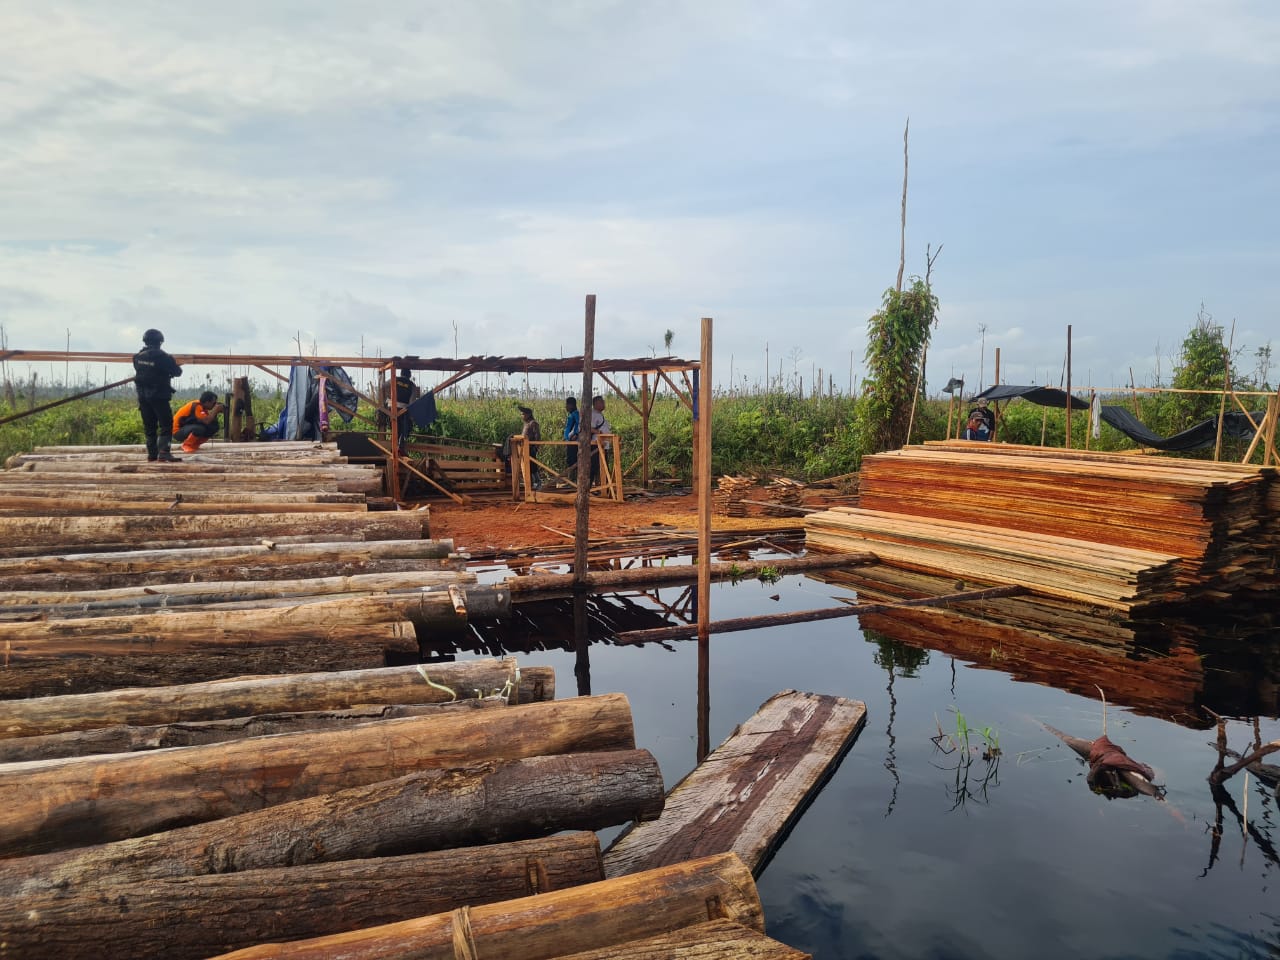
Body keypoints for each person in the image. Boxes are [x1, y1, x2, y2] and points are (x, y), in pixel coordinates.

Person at [132, 328, 183, 462]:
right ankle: (164, 452)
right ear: (160, 342)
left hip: (143, 397)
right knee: (166, 424)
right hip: (159, 396)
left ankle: (152, 454)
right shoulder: (163, 357)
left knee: (149, 426)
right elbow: (177, 372)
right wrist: (173, 363)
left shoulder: (137, 357)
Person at [588, 394, 613, 487]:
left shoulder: (599, 414)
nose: (604, 404)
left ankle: (603, 487)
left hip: (602, 445)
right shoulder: (594, 414)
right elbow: (588, 427)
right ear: (596, 404)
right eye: (602, 402)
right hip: (596, 445)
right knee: (594, 467)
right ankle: (588, 487)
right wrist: (599, 432)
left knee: (603, 467)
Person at [393, 366, 419, 450]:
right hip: (403, 411)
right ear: (409, 376)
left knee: (395, 426)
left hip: (391, 409)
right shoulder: (412, 385)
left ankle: (394, 445)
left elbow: (383, 386)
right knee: (406, 424)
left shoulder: (394, 379)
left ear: (401, 374)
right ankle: (401, 444)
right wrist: (412, 416)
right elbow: (412, 403)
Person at [519, 405, 542, 490]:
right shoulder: (526, 424)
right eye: (521, 414)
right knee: (528, 466)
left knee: (533, 466)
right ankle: (531, 483)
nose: (522, 416)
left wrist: (536, 447)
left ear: (528, 414)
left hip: (531, 448)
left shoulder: (533, 423)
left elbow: (538, 436)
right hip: (525, 448)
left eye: (523, 414)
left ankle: (538, 482)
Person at [562, 396, 580, 482]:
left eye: (567, 405)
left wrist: (575, 434)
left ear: (572, 405)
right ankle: (571, 480)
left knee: (572, 460)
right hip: (569, 441)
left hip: (573, 442)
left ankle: (572, 481)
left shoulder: (575, 414)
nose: (566, 407)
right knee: (570, 460)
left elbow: (579, 424)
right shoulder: (571, 414)